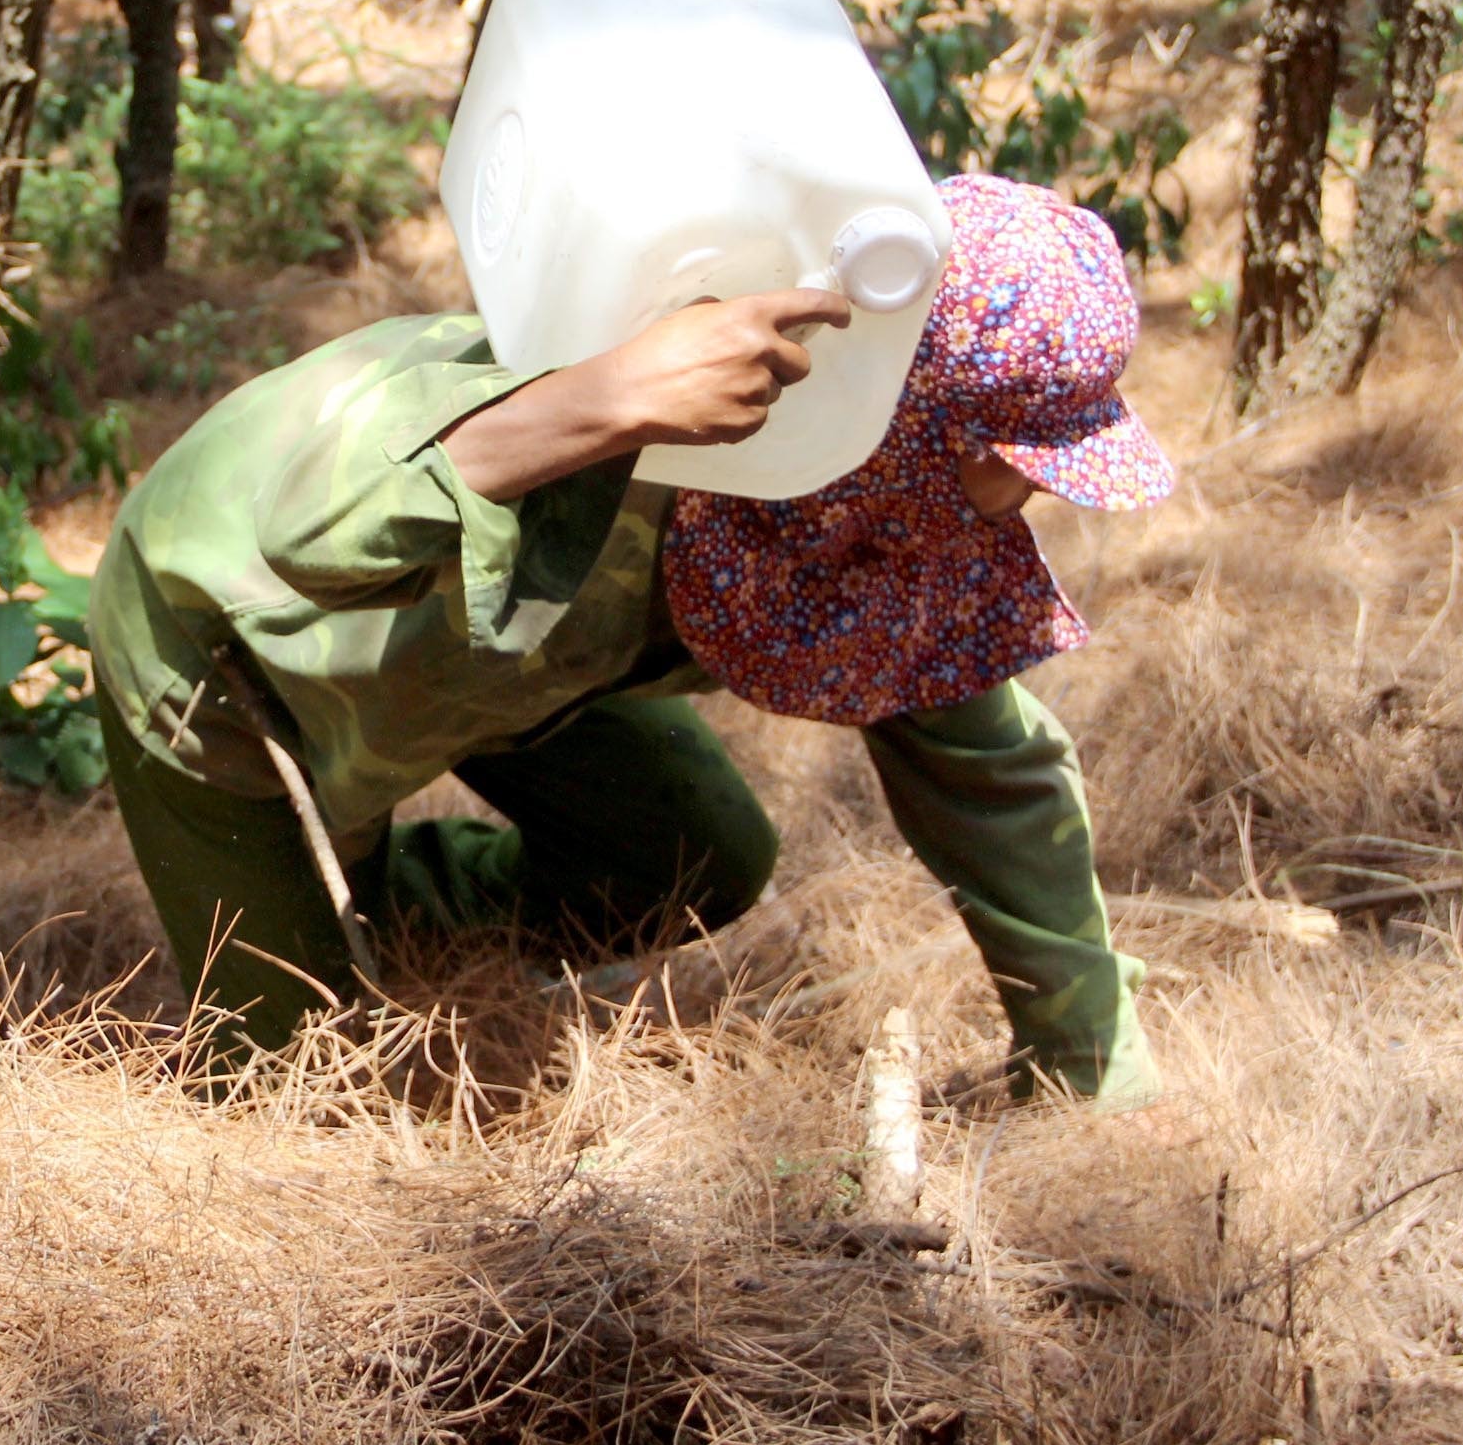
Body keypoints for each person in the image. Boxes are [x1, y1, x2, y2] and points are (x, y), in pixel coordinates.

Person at [89, 172, 1177, 1107]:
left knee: (698, 854)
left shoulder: (880, 514)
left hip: (504, 653)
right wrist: (603, 401)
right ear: (918, 419)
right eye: (1021, 456)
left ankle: (381, 909)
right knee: (299, 1088)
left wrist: (1090, 1065)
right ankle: (312, 906)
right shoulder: (654, 402)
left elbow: (993, 774)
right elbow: (305, 536)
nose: (1035, 491)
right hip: (232, 645)